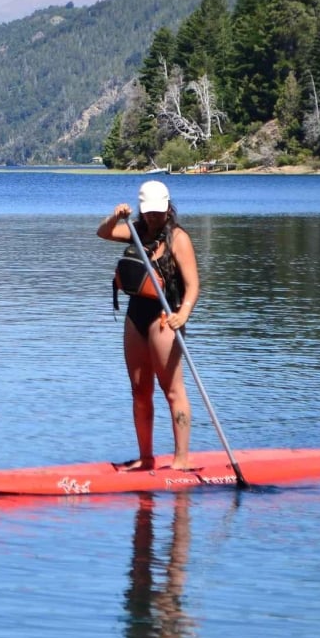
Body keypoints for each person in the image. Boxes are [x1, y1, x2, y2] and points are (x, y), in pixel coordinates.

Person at [97, 179, 200, 471]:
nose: (154, 217)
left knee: (172, 390)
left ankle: (181, 460)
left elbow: (193, 286)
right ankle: (146, 458)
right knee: (140, 391)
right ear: (142, 211)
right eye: (149, 212)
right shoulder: (136, 232)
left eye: (159, 211)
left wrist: (184, 314)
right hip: (136, 316)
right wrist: (116, 216)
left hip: (165, 317)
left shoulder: (178, 238)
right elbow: (102, 232)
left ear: (168, 208)